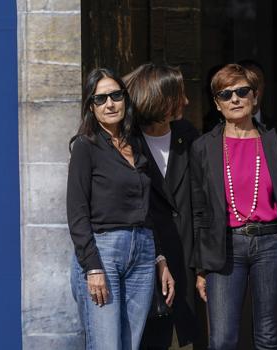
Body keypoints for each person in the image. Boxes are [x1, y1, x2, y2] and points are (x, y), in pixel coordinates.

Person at [191, 63, 277, 349]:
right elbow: (199, 210)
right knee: (222, 339)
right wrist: (200, 266)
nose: (235, 99)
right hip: (225, 246)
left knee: (268, 337)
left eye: (242, 91)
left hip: (273, 244)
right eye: (225, 94)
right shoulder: (204, 147)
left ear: (255, 97)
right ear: (217, 104)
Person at [67, 67, 175, 350]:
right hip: (103, 253)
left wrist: (160, 257)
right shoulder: (85, 146)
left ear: (125, 99)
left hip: (142, 251)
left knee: (130, 345)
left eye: (115, 95)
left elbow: (148, 207)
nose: (110, 104)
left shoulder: (135, 143)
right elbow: (77, 213)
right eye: (100, 99)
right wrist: (92, 268)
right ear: (91, 106)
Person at [124, 63, 200, 349]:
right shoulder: (128, 143)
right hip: (147, 258)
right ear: (159, 97)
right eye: (179, 94)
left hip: (187, 256)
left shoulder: (188, 135)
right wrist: (156, 256)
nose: (187, 101)